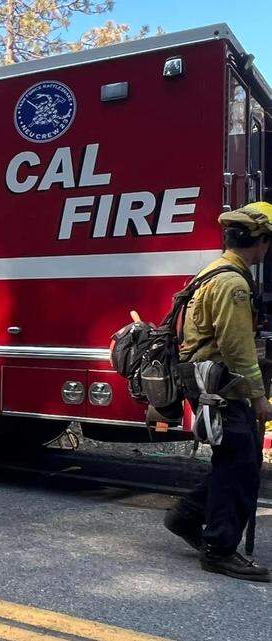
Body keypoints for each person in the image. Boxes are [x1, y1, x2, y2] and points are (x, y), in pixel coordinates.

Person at [163, 203, 272, 582]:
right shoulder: (233, 284)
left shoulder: (215, 270)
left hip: (209, 381)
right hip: (222, 385)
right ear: (259, 241)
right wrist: (258, 396)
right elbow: (237, 346)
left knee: (232, 460)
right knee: (242, 466)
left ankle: (187, 516)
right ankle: (220, 550)